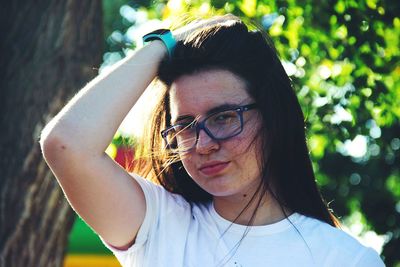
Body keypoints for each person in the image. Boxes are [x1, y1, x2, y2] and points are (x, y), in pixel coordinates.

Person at [40, 14, 385, 267]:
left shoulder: (345, 259)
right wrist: (165, 44)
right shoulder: (159, 226)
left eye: (223, 118)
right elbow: (67, 144)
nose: (203, 144)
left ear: (273, 118)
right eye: (185, 126)